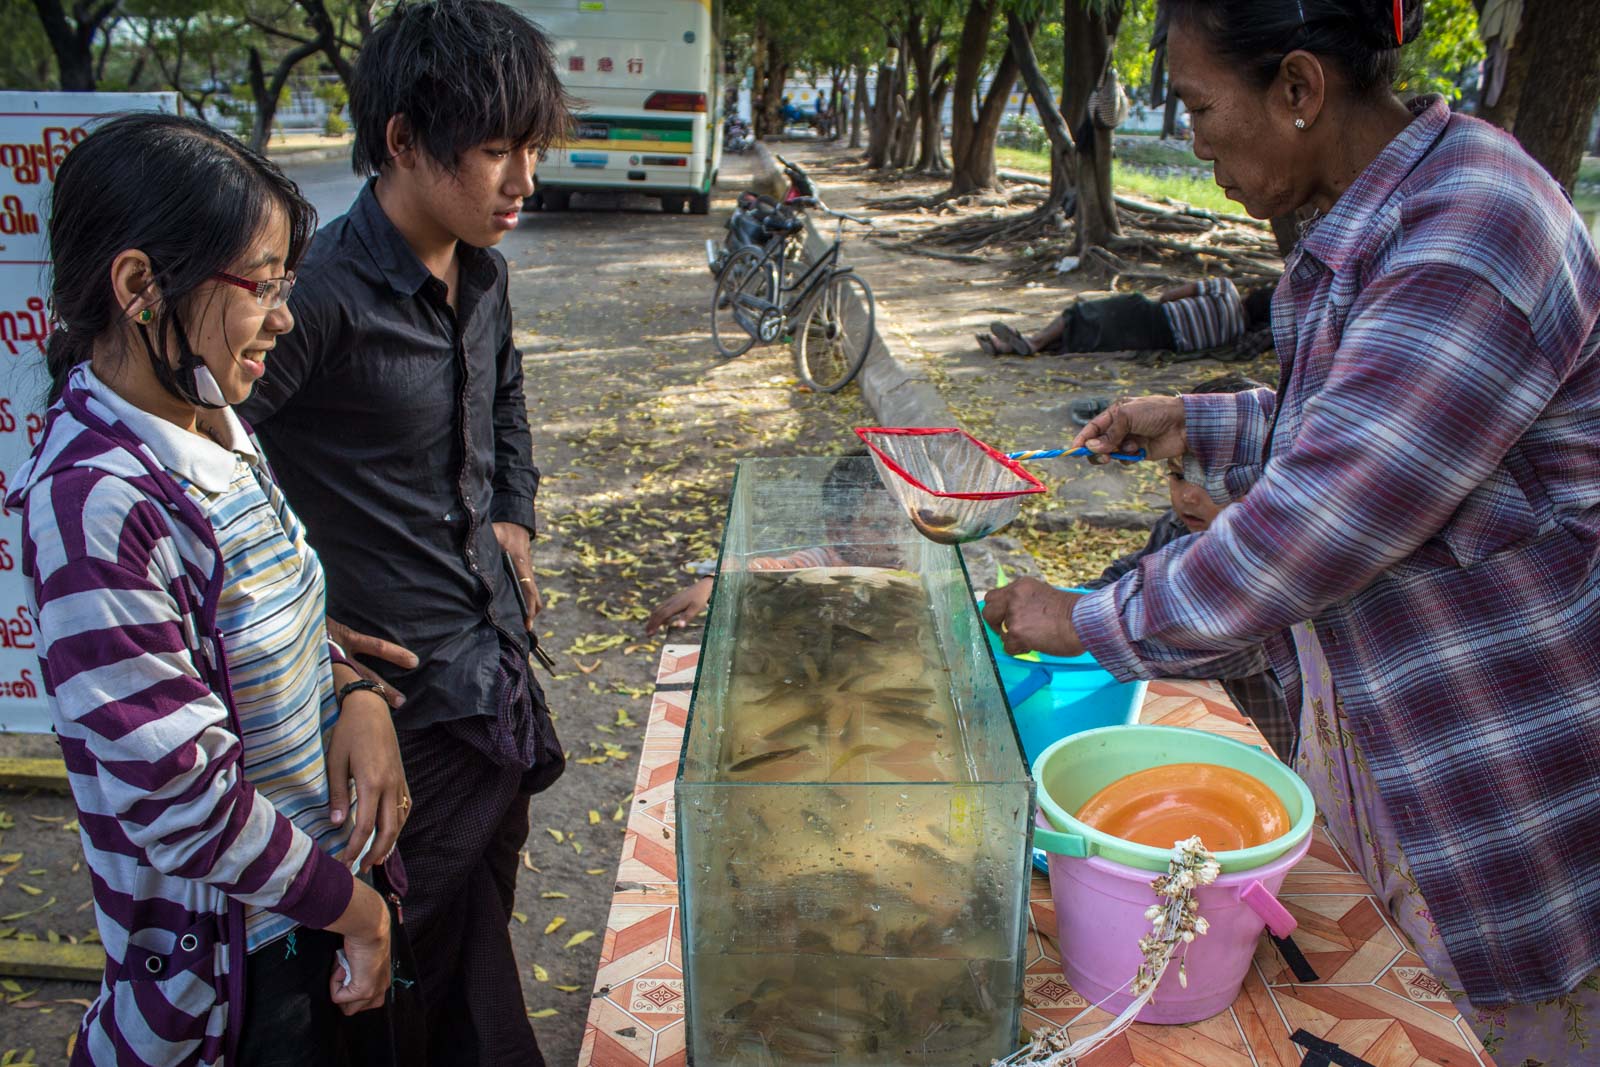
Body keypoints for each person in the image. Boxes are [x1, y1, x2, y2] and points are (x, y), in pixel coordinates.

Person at [982, 1, 1600, 1060]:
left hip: (1487, 772)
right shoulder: (1393, 214)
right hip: (1385, 743)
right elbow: (1370, 419)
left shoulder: (1472, 231)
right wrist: (1194, 420)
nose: (1195, 138)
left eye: (1197, 105)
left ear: (1300, 90)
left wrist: (1082, 617)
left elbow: (1321, 520)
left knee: (1476, 1033)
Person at [8, 114, 409, 1066]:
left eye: (287, 286)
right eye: (261, 287)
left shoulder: (214, 417)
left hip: (307, 918)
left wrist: (351, 689)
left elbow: (279, 609)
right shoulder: (92, 506)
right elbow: (190, 806)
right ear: (142, 286)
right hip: (233, 985)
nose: (284, 318)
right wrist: (362, 917)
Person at [236, 2, 570, 1062]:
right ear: (402, 141)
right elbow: (212, 482)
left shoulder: (486, 272)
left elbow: (505, 402)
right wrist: (317, 647)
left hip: (491, 682)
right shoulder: (317, 297)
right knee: (376, 982)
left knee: (470, 950)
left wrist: (512, 515)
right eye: (493, 151)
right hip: (392, 721)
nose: (522, 181)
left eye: (532, 149)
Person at [1081, 376, 1297, 762]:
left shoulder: (1280, 554)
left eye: (1211, 477)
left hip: (1261, 733)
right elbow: (1129, 576)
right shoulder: (1176, 526)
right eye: (1179, 475)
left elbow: (1230, 643)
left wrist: (1076, 623)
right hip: (1180, 720)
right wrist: (1075, 600)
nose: (1189, 494)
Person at [977, 276, 1274, 358]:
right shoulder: (1239, 335)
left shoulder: (1226, 290)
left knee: (1080, 314)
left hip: (1154, 316)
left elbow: (1170, 296)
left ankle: (1034, 341)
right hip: (1161, 342)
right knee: (1088, 337)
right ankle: (1013, 346)